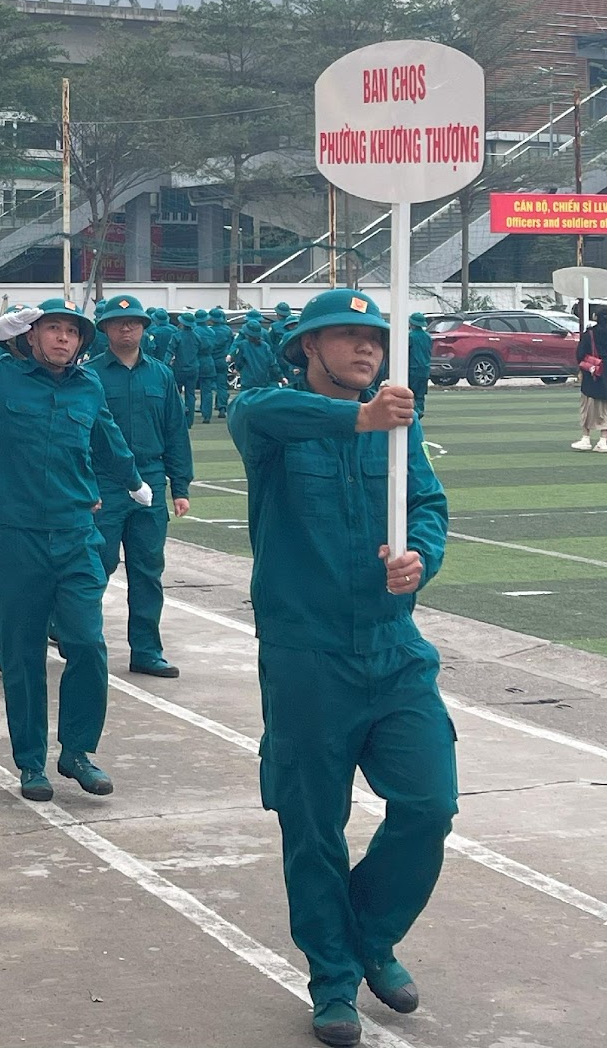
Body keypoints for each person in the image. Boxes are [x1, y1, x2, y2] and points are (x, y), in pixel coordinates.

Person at [228, 288, 455, 1047]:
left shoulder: (398, 428)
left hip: (395, 651)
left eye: (374, 339)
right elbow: (261, 413)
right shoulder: (272, 420)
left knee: (428, 805)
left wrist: (421, 558)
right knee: (313, 826)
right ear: (306, 348)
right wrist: (360, 418)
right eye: (346, 336)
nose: (366, 350)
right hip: (307, 658)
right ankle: (333, 979)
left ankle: (369, 938)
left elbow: (427, 504)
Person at [0, 298, 147, 802]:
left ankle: (78, 751)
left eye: (72, 331)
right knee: (23, 655)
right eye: (53, 329)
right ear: (30, 335)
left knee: (87, 644)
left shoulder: (88, 386)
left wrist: (134, 481)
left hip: (74, 537)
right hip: (15, 538)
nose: (63, 338)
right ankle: (31, 763)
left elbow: (106, 437)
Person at [88, 295, 193, 678]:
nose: (127, 328)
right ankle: (80, 637)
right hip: (105, 482)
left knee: (148, 570)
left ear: (144, 329)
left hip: (149, 479)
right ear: (105, 329)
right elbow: (82, 434)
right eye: (118, 322)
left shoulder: (161, 375)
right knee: (96, 564)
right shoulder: (91, 375)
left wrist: (179, 486)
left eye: (134, 322)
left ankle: (146, 651)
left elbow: (175, 431)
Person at [572, 304, 607, 451]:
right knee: (605, 408)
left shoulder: (590, 334)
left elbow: (580, 354)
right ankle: (603, 440)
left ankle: (585, 438)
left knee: (587, 405)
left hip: (593, 374)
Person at [232, 312, 282, 391]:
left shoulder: (243, 345)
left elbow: (239, 361)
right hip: (263, 381)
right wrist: (280, 377)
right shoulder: (266, 346)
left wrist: (237, 369)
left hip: (247, 382)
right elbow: (272, 364)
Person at [192, 308, 218, 425]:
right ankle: (207, 414)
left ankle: (189, 414)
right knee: (207, 390)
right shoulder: (212, 332)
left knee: (190, 389)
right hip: (208, 361)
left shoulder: (194, 331)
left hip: (195, 360)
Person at [205, 307, 233, 418]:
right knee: (222, 385)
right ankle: (222, 407)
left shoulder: (210, 331)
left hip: (210, 360)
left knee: (207, 386)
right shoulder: (227, 330)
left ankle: (206, 411)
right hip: (222, 359)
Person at [407, 313, 432, 419]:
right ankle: (420, 411)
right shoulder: (428, 336)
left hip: (413, 369)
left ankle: (416, 412)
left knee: (409, 393)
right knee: (420, 395)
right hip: (425, 369)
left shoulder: (410, 337)